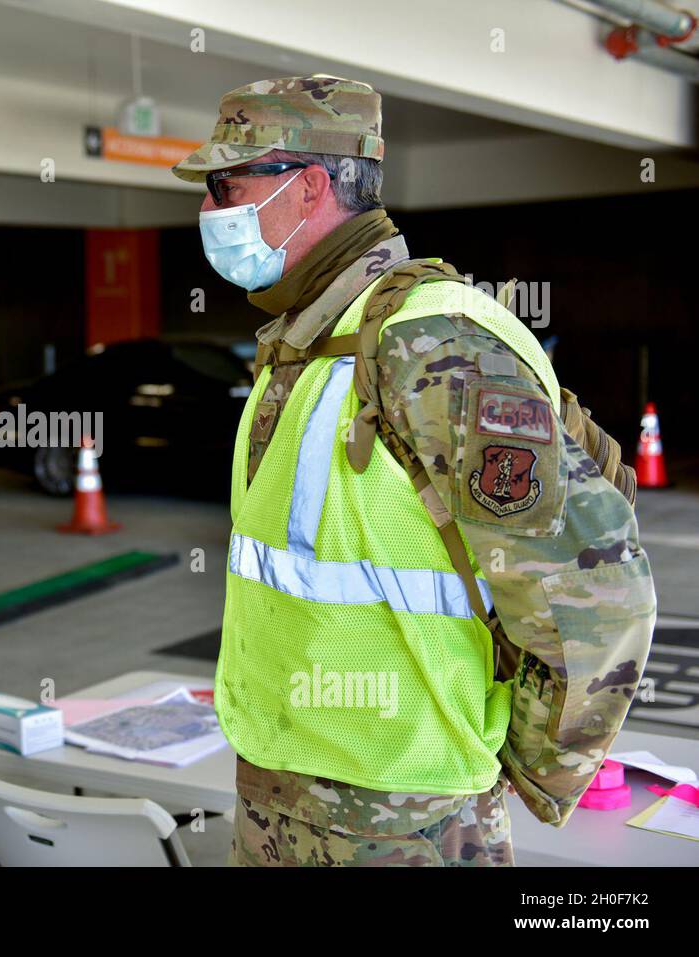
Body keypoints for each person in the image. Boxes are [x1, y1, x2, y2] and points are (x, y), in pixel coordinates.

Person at [172, 77, 656, 866]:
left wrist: (510, 769)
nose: (209, 213)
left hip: (404, 825)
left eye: (228, 186)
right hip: (281, 798)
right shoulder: (301, 343)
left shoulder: (430, 344)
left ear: (311, 187)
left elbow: (597, 596)